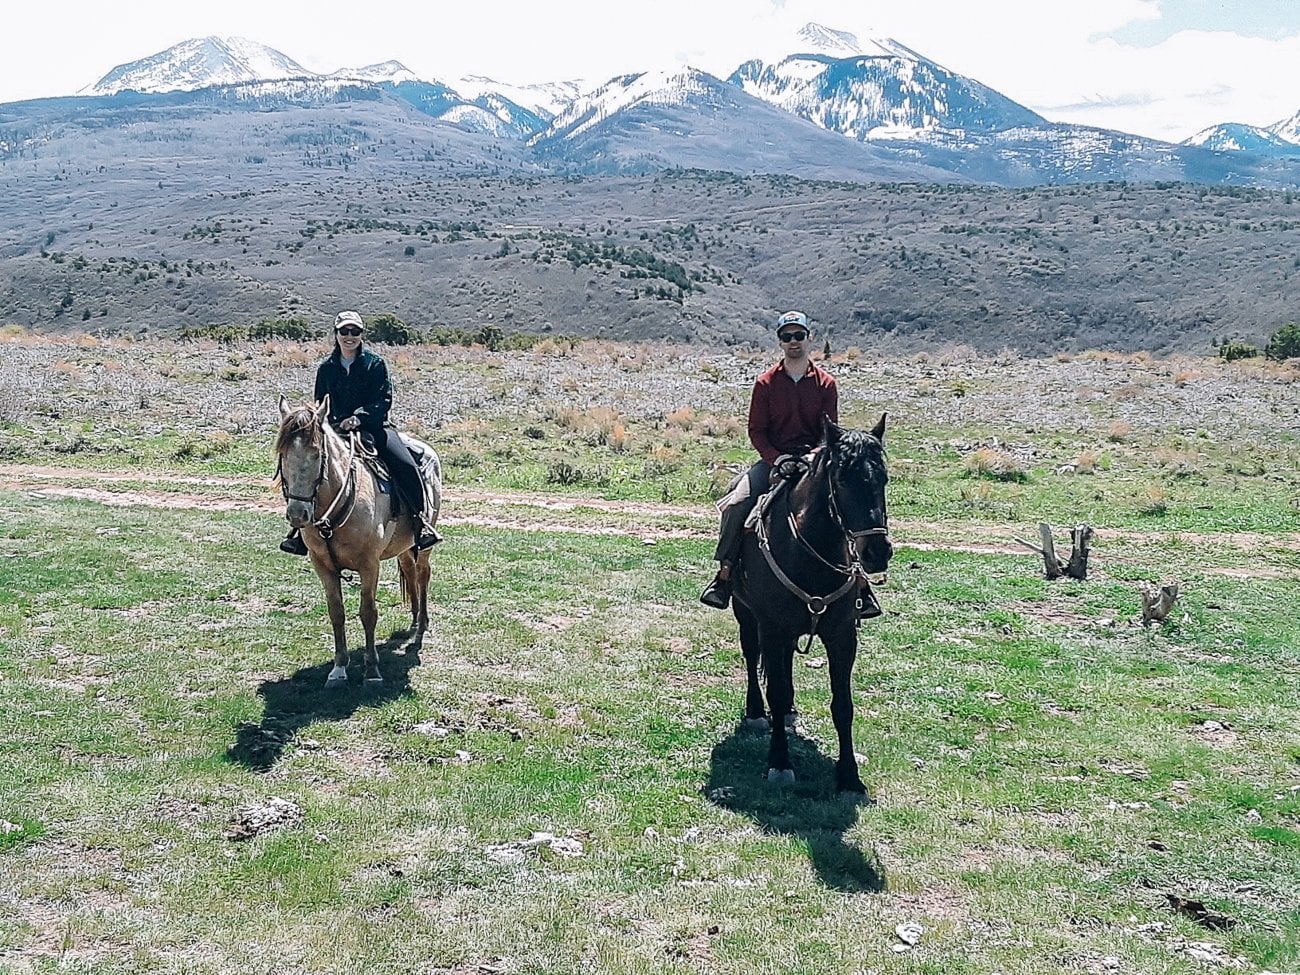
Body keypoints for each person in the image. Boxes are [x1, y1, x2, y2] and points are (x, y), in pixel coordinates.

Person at [700, 310, 879, 620]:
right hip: (774, 460)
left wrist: (813, 456)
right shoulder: (765, 383)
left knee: (843, 506)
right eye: (787, 337)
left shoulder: (826, 384)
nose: (793, 342)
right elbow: (757, 430)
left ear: (809, 338)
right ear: (780, 342)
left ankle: (860, 583)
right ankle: (725, 575)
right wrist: (777, 458)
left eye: (799, 335)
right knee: (737, 503)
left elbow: (830, 432)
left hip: (815, 461)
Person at [280, 310, 441, 555]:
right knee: (310, 469)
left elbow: (383, 400)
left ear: (361, 335)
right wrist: (332, 423)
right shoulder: (326, 369)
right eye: (344, 331)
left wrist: (359, 417)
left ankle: (421, 524)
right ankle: (302, 533)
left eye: (355, 331)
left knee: (405, 465)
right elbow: (320, 402)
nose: (349, 336)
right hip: (334, 432)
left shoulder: (375, 364)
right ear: (336, 334)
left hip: (374, 429)